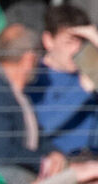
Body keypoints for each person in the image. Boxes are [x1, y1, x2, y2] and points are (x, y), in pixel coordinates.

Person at [0, 23, 67, 177]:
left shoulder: (15, 92)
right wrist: (43, 163)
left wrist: (53, 153)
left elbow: (38, 137)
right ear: (29, 59)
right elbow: (1, 152)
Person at [28, 4, 98, 156]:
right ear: (48, 40)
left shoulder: (90, 70)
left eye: (83, 42)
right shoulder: (34, 76)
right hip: (61, 166)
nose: (77, 49)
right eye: (69, 42)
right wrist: (81, 90)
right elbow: (40, 126)